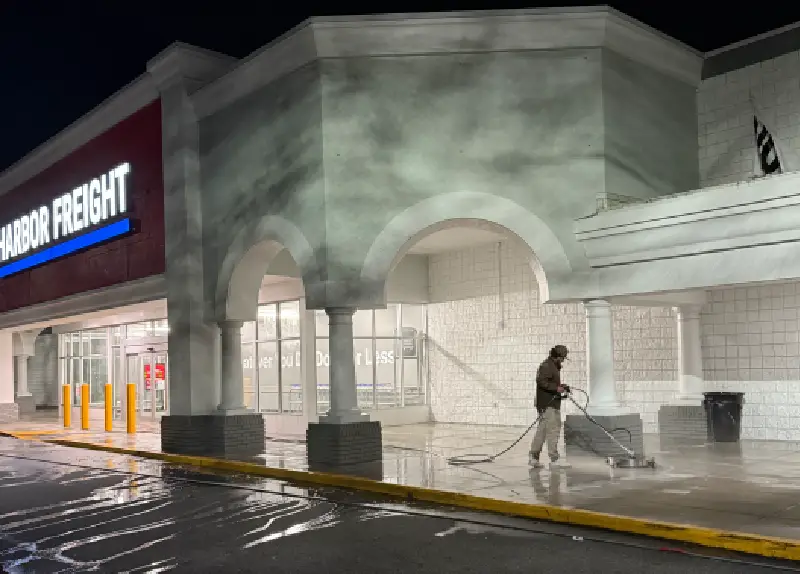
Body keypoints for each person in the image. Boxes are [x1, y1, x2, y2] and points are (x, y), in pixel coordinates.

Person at [529, 345, 571, 469]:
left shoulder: (552, 366)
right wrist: (556, 388)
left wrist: (562, 386)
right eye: (563, 357)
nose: (564, 360)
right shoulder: (547, 365)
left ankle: (533, 457)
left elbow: (548, 382)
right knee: (554, 429)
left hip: (548, 403)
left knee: (542, 431)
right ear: (557, 356)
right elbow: (541, 381)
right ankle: (554, 459)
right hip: (548, 404)